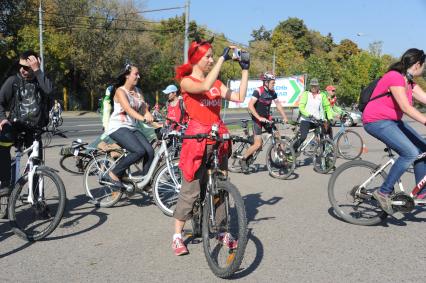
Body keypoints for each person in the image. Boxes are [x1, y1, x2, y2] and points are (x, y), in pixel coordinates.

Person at [172, 38, 249, 256]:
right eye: (208, 56)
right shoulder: (186, 82)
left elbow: (240, 97)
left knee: (221, 188)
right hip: (196, 139)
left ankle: (222, 231)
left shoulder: (216, 83)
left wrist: (245, 70)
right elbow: (204, 86)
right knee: (191, 189)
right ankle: (177, 235)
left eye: (213, 56)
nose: (211, 60)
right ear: (196, 58)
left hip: (218, 137)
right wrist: (224, 58)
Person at [363, 48, 426, 214]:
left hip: (393, 122)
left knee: (423, 149)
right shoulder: (394, 77)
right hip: (376, 121)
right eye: (424, 65)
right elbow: (405, 107)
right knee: (410, 153)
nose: (424, 68)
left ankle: (421, 193)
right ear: (418, 64)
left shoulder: (409, 82)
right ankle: (383, 191)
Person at [0, 50, 53, 191]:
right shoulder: (13, 81)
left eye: (27, 67)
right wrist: (3, 119)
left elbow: (49, 91)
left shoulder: (41, 80)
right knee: (2, 143)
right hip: (16, 126)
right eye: (21, 66)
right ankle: (4, 184)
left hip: (34, 130)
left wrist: (37, 71)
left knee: (36, 167)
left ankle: (37, 203)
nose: (22, 70)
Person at [102, 63, 155, 188]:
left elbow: (143, 108)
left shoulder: (138, 91)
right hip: (118, 127)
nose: (138, 76)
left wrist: (150, 117)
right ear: (127, 75)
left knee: (150, 151)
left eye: (138, 74)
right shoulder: (120, 91)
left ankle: (145, 181)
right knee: (138, 151)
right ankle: (113, 173)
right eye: (136, 74)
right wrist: (143, 119)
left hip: (131, 127)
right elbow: (128, 109)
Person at [240, 72, 289, 173]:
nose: (274, 84)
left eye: (274, 83)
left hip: (267, 118)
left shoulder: (272, 92)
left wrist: (284, 117)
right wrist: (259, 117)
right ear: (266, 82)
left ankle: (282, 160)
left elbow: (278, 104)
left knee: (277, 136)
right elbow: (250, 105)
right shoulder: (258, 91)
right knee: (258, 144)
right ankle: (243, 159)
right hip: (257, 120)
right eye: (272, 82)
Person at [292, 78, 334, 153]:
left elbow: (327, 107)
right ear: (310, 86)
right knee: (303, 137)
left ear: (318, 86)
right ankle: (292, 150)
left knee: (323, 137)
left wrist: (330, 118)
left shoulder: (322, 95)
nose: (313, 88)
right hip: (306, 120)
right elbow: (301, 107)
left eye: (315, 86)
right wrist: (309, 115)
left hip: (317, 121)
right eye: (312, 86)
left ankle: (325, 159)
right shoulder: (306, 94)